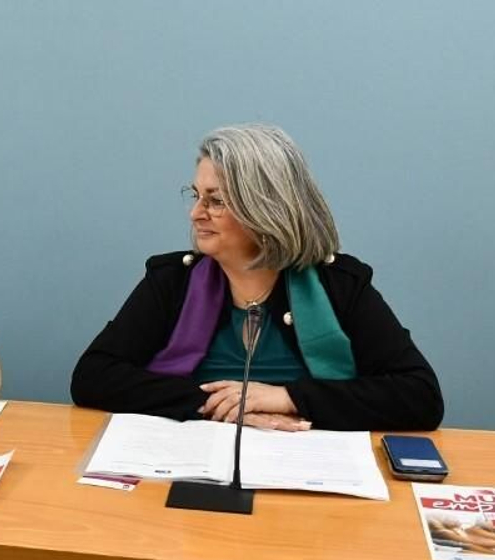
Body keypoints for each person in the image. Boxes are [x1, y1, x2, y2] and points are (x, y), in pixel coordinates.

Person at [70, 125, 442, 431]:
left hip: (307, 467)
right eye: (196, 195)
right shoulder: (171, 282)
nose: (196, 213)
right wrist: (218, 405)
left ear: (265, 209)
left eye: (216, 200)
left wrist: (287, 398)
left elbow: (420, 396)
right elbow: (92, 376)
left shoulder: (340, 286)